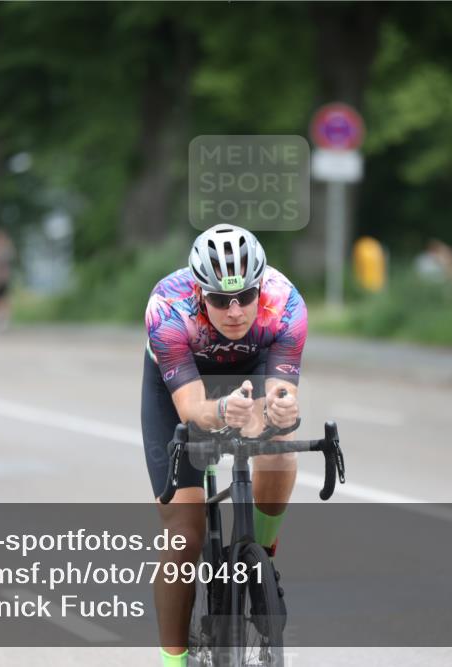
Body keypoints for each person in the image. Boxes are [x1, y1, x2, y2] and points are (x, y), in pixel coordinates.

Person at [141, 224, 307, 667]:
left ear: (260, 288)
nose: (234, 311)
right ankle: (173, 663)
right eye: (219, 300)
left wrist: (282, 407)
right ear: (199, 293)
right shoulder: (167, 308)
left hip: (251, 367)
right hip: (180, 386)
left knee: (280, 442)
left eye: (245, 296)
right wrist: (221, 410)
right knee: (183, 535)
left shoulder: (286, 303)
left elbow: (280, 391)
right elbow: (192, 409)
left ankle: (261, 559)